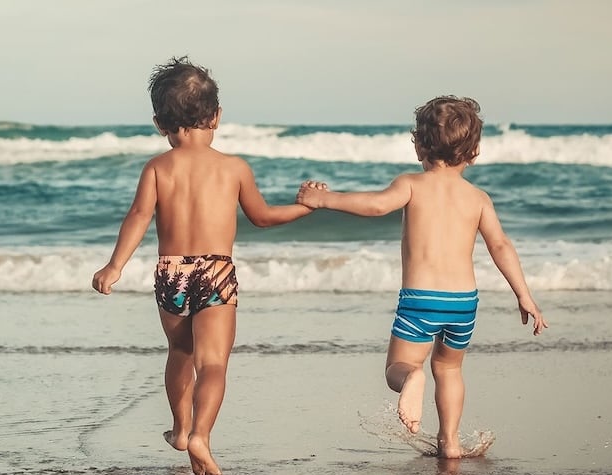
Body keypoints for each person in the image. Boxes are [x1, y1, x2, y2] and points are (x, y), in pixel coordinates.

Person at [91, 56, 313, 475]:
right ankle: (201, 436)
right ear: (216, 117)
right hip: (216, 272)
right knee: (212, 363)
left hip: (171, 271)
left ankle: (180, 429)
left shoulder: (157, 168)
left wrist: (114, 265)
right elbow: (263, 217)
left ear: (160, 124)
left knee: (180, 350)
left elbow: (138, 216)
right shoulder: (233, 167)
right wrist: (306, 207)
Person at [296, 95, 548, 459]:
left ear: (419, 147)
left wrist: (324, 200)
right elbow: (500, 245)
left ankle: (412, 379)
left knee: (397, 369)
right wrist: (524, 295)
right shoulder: (478, 198)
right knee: (449, 368)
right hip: (463, 302)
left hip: (421, 300)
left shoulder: (411, 184)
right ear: (474, 152)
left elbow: (376, 205)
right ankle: (451, 442)